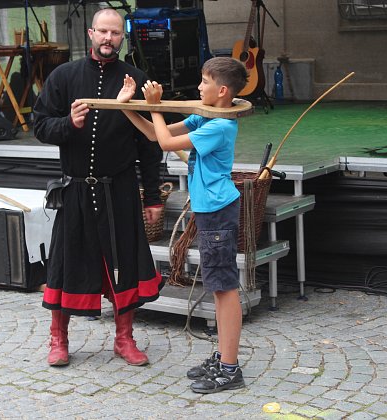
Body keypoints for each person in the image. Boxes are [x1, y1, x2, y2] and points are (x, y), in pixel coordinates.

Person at [33, 8, 165, 367]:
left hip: (120, 189)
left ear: (123, 37)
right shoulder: (64, 76)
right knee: (66, 262)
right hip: (76, 189)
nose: (109, 39)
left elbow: (149, 145)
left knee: (127, 262)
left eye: (116, 33)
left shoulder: (135, 78)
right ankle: (57, 339)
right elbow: (40, 125)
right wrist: (68, 124)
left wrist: (152, 196)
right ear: (91, 33)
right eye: (103, 32)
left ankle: (125, 339)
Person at [117, 57, 249, 393]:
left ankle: (230, 369)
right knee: (218, 287)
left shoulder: (220, 125)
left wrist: (155, 107)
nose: (198, 87)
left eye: (204, 82)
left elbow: (164, 142)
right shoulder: (207, 114)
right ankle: (223, 357)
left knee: (224, 287)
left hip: (219, 212)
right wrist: (128, 108)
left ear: (221, 91)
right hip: (210, 211)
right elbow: (151, 133)